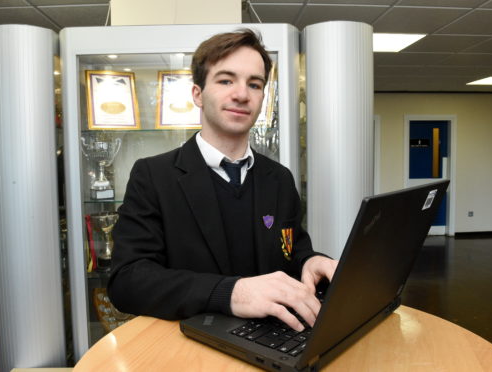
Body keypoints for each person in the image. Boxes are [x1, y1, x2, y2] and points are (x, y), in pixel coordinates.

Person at [108, 28, 338, 332]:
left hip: (272, 345)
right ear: (198, 95)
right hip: (189, 348)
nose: (241, 94)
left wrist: (311, 263)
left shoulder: (279, 179)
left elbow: (292, 251)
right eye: (226, 80)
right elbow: (127, 281)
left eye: (254, 84)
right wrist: (231, 293)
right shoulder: (153, 176)